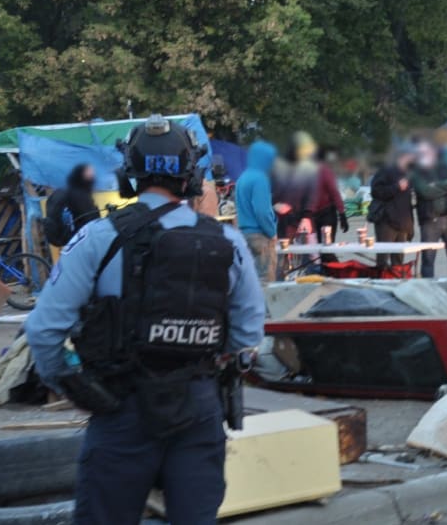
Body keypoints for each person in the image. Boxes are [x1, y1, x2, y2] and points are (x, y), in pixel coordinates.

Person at [23, 115, 266, 524]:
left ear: (129, 171)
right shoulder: (227, 240)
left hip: (121, 407)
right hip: (199, 407)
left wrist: (75, 384)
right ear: (191, 173)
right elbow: (247, 336)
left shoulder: (99, 238)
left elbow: (44, 331)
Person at [412, 140, 447, 278]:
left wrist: (436, 185)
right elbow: (425, 191)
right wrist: (446, 187)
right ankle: (429, 291)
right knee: (428, 259)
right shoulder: (417, 172)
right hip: (430, 221)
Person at [236, 140, 279, 282]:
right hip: (260, 236)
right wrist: (272, 232)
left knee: (251, 281)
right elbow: (262, 211)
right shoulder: (260, 179)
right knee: (266, 281)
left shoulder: (242, 178)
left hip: (244, 235)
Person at [368, 145, 416, 267]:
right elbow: (376, 191)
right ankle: (381, 282)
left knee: (398, 261)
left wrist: (410, 226)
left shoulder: (408, 173)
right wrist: (396, 187)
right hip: (386, 222)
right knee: (383, 259)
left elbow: (407, 202)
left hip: (403, 223)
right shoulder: (386, 170)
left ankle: (397, 284)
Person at [44, 164, 100, 248]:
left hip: (57, 237)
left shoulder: (58, 193)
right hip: (73, 240)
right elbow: (92, 219)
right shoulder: (80, 194)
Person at [311, 147, 348, 243]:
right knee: (321, 249)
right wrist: (342, 213)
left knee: (323, 248)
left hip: (325, 214)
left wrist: (342, 213)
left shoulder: (324, 171)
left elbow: (334, 192)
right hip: (314, 215)